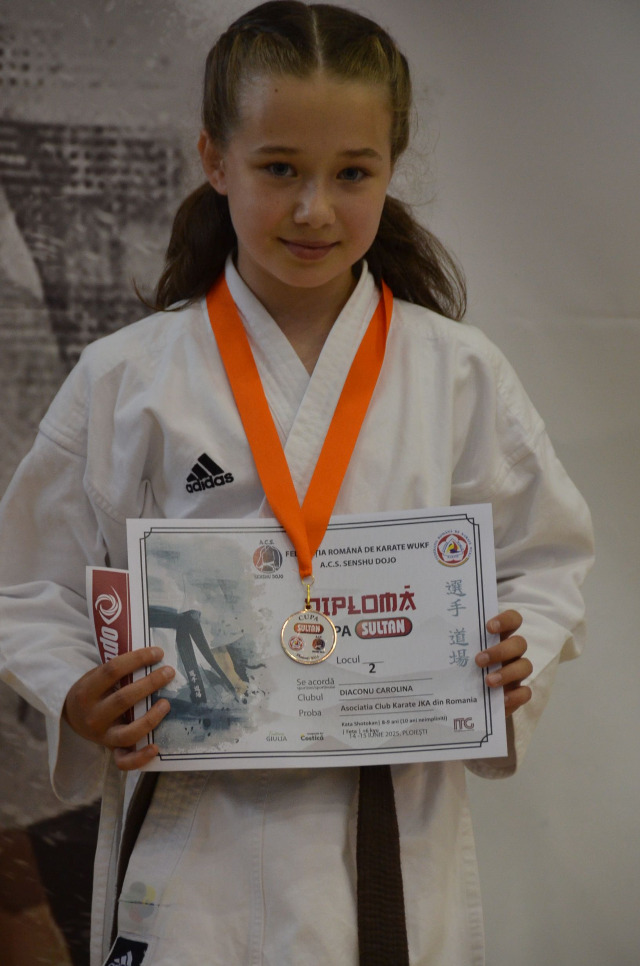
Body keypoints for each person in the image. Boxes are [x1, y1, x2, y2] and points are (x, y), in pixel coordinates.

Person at [0, 3, 593, 965]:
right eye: (279, 168)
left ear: (390, 170)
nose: (315, 209)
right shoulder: (128, 377)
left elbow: (549, 557)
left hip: (388, 826)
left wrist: (510, 652)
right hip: (198, 843)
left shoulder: (457, 372)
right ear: (214, 159)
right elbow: (29, 580)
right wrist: (77, 690)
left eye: (352, 173)